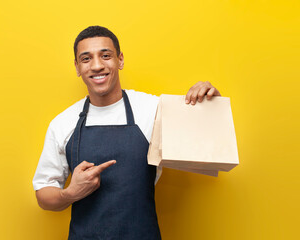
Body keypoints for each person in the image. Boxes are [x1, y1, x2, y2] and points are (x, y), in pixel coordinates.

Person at [32, 26, 221, 239]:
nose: (96, 65)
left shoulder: (153, 109)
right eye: (86, 59)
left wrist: (209, 103)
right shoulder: (63, 123)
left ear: (120, 60)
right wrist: (70, 193)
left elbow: (207, 149)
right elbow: (43, 195)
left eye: (106, 56)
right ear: (77, 67)